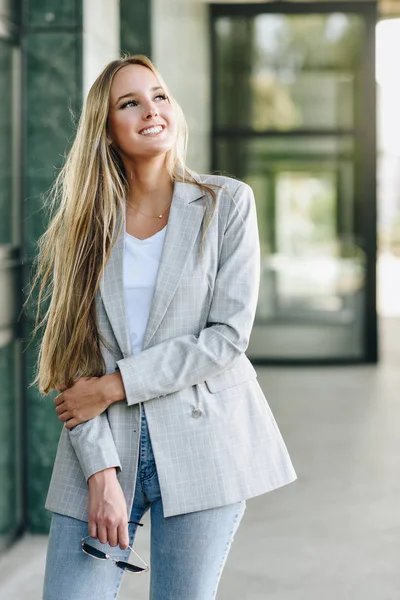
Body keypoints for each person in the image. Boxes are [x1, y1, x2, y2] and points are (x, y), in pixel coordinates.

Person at [29, 54, 297, 600]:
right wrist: (101, 476)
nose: (151, 110)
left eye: (158, 96)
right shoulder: (82, 226)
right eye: (130, 103)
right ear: (106, 131)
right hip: (102, 446)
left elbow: (226, 337)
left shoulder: (226, 204)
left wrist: (114, 385)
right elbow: (72, 367)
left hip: (206, 439)